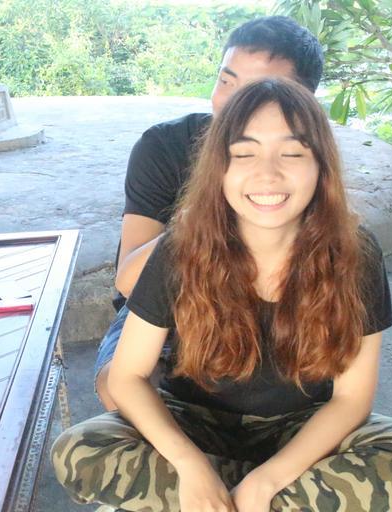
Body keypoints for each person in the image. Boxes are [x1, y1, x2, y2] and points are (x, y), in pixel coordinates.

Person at [52, 79, 392, 512]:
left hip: (303, 430)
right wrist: (191, 467)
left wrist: (266, 482)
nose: (268, 174)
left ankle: (227, 501)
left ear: (321, 166)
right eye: (244, 154)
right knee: (79, 449)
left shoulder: (353, 253)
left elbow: (351, 399)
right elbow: (126, 377)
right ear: (219, 168)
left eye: (292, 153)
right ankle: (237, 497)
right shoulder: (181, 249)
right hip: (193, 424)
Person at [96, 16, 326, 410]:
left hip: (270, 308)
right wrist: (208, 210)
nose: (232, 103)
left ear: (300, 101)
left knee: (302, 396)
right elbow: (130, 280)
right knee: (117, 388)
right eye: (226, 81)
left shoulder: (303, 162)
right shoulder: (164, 146)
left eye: (256, 91)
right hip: (168, 306)